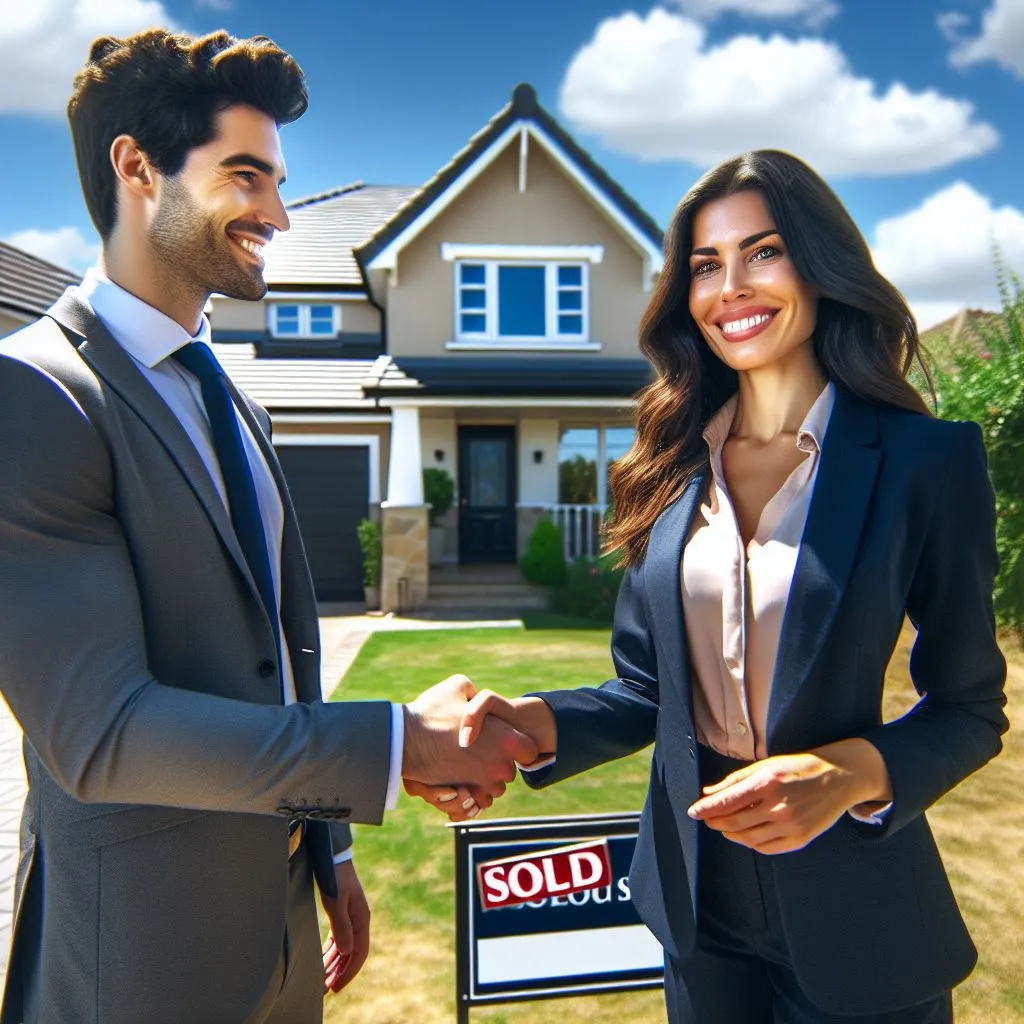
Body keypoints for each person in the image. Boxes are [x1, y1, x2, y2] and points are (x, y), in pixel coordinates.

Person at [0, 29, 531, 1024]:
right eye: (246, 176)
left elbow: (279, 651)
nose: (279, 214)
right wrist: (393, 744)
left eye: (280, 182)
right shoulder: (32, 395)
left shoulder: (234, 400)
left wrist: (327, 846)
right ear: (136, 168)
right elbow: (102, 732)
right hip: (140, 957)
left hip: (284, 932)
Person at [425, 150, 1009, 1022]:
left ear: (821, 264)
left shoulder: (927, 460)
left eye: (763, 252)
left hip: (861, 916)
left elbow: (970, 706)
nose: (730, 286)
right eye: (705, 265)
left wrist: (851, 773)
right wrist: (535, 725)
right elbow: (644, 689)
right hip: (699, 908)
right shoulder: (666, 465)